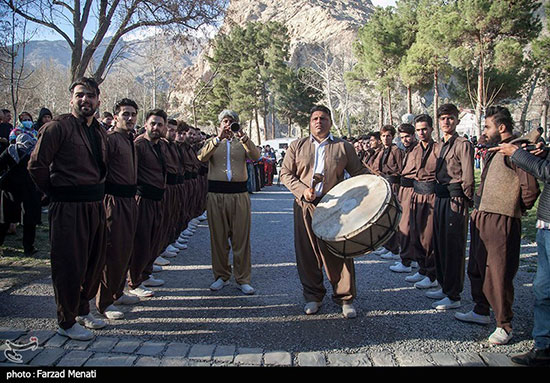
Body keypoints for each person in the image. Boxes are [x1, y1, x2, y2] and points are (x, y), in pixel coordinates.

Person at [28, 77, 108, 341]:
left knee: (94, 262)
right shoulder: (56, 128)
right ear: (71, 99)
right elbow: (37, 166)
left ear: (98, 99)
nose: (85, 100)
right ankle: (66, 320)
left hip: (95, 205)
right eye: (80, 95)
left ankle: (85, 309)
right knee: (69, 265)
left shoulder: (97, 130)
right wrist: (55, 193)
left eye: (91, 95)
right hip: (68, 207)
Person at [453, 106, 540, 345]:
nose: (484, 131)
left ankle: (505, 324)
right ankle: (481, 311)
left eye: (487, 126)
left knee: (498, 273)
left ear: (501, 128)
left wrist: (514, 209)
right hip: (483, 216)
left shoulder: (516, 151)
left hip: (502, 219)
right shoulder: (496, 150)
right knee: (478, 268)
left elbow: (530, 189)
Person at [280, 105, 369, 319]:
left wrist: (376, 185)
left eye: (323, 118)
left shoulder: (343, 147)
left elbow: (359, 172)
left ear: (330, 122)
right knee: (307, 251)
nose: (319, 121)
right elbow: (285, 173)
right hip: (305, 206)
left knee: (338, 250)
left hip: (334, 207)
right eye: (315, 119)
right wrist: (303, 191)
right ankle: (313, 296)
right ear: (309, 123)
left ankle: (345, 298)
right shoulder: (296, 146)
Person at [490, 136, 550, 365]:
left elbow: (546, 173)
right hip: (545, 225)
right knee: (543, 289)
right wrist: (542, 152)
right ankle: (543, 346)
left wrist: (517, 154)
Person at [197, 110, 260, 295]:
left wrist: (243, 137)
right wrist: (217, 139)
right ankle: (221, 276)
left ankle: (243, 278)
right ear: (219, 123)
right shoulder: (212, 142)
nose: (228, 125)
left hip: (239, 194)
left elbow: (256, 157)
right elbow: (201, 158)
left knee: (241, 238)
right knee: (218, 238)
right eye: (225, 121)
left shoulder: (242, 142)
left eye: (232, 122)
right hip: (216, 194)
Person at [95, 98, 140, 320]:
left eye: (133, 114)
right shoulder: (111, 140)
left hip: (129, 200)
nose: (130, 118)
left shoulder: (129, 139)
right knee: (111, 251)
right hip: (113, 200)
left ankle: (117, 291)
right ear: (115, 117)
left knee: (125, 249)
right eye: (125, 114)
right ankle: (104, 302)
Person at [429, 103, 474, 310]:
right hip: (441, 197)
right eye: (443, 118)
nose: (446, 122)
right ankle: (444, 285)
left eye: (450, 118)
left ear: (457, 120)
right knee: (439, 243)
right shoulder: (440, 144)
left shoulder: (462, 144)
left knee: (453, 246)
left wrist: (465, 202)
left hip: (455, 199)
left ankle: (454, 294)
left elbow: (468, 178)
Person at [127, 109, 169, 298]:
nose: (156, 127)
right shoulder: (139, 145)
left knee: (154, 239)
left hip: (157, 198)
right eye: (152, 123)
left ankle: (145, 273)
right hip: (142, 198)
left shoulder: (160, 145)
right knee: (141, 241)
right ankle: (134, 281)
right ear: (145, 124)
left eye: (160, 124)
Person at [406, 114, 439, 290]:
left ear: (431, 129)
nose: (421, 133)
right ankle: (422, 268)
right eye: (418, 130)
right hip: (416, 194)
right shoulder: (415, 150)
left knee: (429, 237)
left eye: (424, 129)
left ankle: (432, 273)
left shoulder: (438, 149)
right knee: (416, 233)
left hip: (431, 195)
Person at [371, 125, 404, 259]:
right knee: (385, 217)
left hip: (394, 184)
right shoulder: (381, 151)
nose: (385, 138)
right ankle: (387, 245)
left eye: (388, 136)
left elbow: (401, 169)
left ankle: (395, 248)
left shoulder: (397, 150)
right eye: (383, 136)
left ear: (392, 137)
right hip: (384, 184)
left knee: (393, 216)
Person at [389, 123, 418, 273]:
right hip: (404, 189)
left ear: (413, 136)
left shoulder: (417, 150)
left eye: (407, 136)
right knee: (404, 225)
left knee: (408, 226)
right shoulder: (408, 150)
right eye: (402, 137)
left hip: (413, 190)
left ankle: (408, 260)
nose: (405, 139)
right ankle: (409, 259)